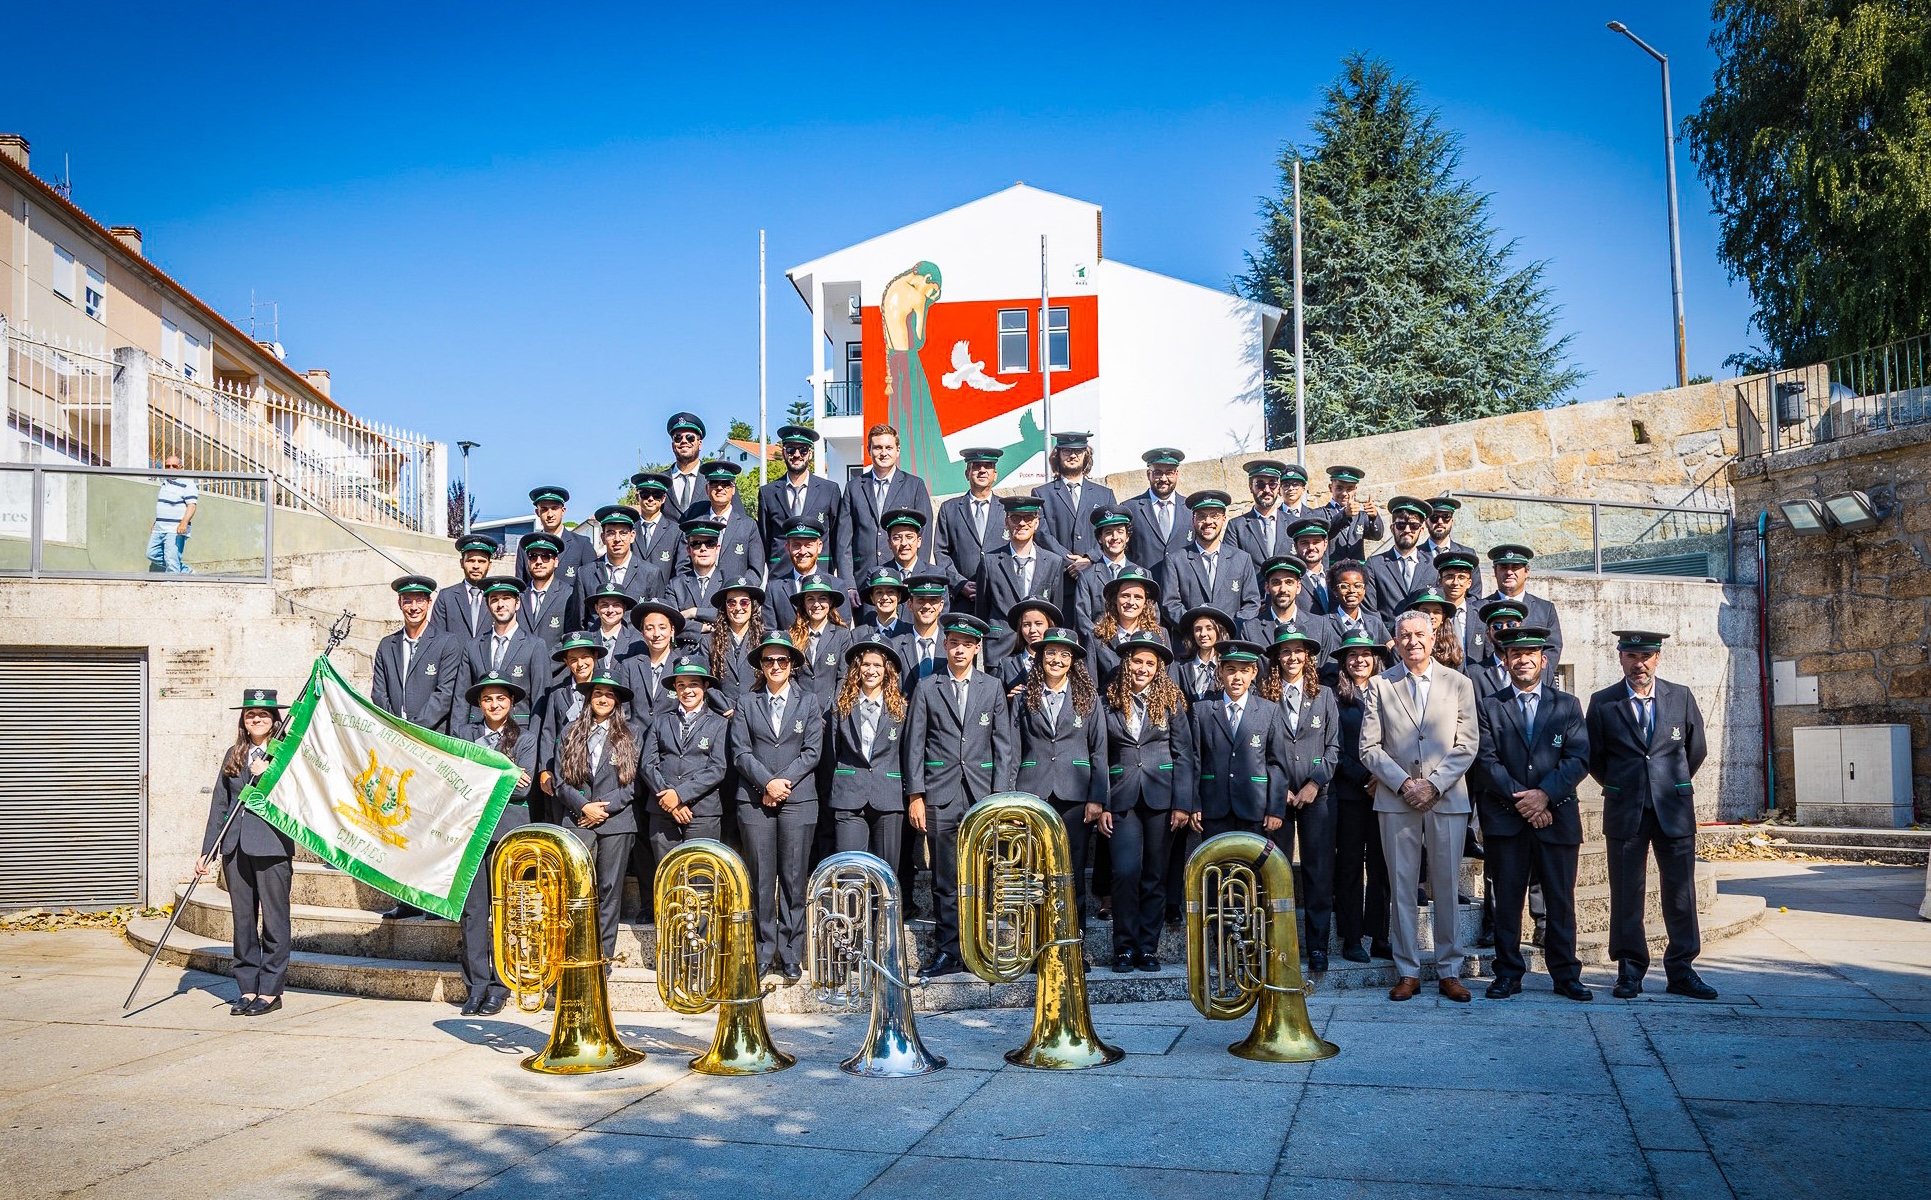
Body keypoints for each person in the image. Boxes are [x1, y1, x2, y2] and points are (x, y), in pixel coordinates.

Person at [1586, 629, 1716, 1001]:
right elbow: (1594, 756)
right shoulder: (1603, 702)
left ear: (1657, 658)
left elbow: (1696, 749)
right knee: (1627, 892)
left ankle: (1681, 970)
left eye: (1646, 656)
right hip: (1625, 808)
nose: (1638, 664)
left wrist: (1668, 783)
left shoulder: (1681, 697)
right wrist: (1622, 784)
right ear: (1620, 658)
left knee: (1680, 892)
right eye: (1631, 656)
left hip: (1673, 809)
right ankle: (1629, 970)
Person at [1359, 609, 1480, 1002]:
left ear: (1433, 638)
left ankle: (1449, 970)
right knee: (1403, 886)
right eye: (1405, 635)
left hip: (1446, 799)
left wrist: (1433, 784)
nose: (1413, 641)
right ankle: (1407, 970)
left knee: (1445, 885)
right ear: (1396, 640)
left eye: (1420, 634)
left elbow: (1467, 744)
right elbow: (1369, 748)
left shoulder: (1459, 683)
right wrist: (1405, 783)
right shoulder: (1380, 685)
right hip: (1397, 801)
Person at [1476, 626, 1592, 1002]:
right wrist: (1523, 802)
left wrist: (1543, 796)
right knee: (1506, 902)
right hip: (1506, 822)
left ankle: (1565, 974)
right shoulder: (1490, 706)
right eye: (1515, 654)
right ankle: (1508, 972)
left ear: (1543, 661)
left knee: (1560, 900)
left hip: (1556, 817)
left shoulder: (1567, 705)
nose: (1522, 660)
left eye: (1530, 654)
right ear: (1505, 661)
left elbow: (1578, 759)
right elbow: (1485, 761)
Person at [904, 613, 1016, 978]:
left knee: (983, 876)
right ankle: (948, 950)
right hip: (941, 794)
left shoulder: (992, 686)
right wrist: (916, 795)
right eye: (954, 643)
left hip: (982, 797)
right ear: (945, 644)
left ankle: (978, 947)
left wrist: (1001, 797)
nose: (960, 649)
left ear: (976, 648)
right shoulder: (926, 686)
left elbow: (1004, 746)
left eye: (967, 644)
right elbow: (914, 744)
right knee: (945, 878)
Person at [1096, 633, 1194, 972]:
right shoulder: (1107, 700)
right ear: (1127, 663)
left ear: (1158, 668)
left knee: (1155, 874)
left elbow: (1184, 755)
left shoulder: (1171, 701)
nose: (1142, 668)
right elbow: (1100, 755)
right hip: (1121, 798)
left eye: (1149, 663)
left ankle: (1147, 948)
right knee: (1125, 872)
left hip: (1162, 797)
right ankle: (1123, 947)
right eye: (1137, 661)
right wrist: (1103, 802)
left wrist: (1182, 803)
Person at [730, 632, 824, 982]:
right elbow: (740, 751)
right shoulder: (746, 703)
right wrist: (765, 784)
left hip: (797, 799)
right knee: (760, 878)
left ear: (792, 665)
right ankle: (762, 950)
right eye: (768, 661)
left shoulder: (809, 702)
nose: (775, 666)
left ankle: (790, 952)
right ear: (760, 665)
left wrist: (781, 784)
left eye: (782, 660)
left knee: (794, 878)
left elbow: (812, 752)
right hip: (755, 801)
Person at [195, 689, 293, 1015]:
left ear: (274, 719)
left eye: (263, 715)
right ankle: (248, 988)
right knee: (243, 922)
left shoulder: (286, 754)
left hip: (272, 847)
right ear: (244, 720)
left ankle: (270, 991)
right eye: (251, 715)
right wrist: (207, 852)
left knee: (275, 923)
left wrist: (272, 773)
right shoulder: (233, 754)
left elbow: (296, 798)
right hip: (235, 848)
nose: (257, 719)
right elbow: (219, 805)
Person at [1010, 626, 1108, 916]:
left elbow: (1099, 751)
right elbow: (1012, 750)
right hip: (1033, 791)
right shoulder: (1023, 698)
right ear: (1040, 657)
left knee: (1072, 868)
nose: (1057, 659)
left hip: (1075, 795)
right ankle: (1037, 946)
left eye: (1065, 654)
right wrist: (1012, 797)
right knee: (1033, 868)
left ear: (1073, 661)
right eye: (1051, 652)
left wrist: (1097, 798)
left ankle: (1073, 946)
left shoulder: (1088, 699)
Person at [454, 674, 537, 1016]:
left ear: (511, 703)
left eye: (501, 699)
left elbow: (522, 790)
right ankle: (476, 985)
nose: (494, 705)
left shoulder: (526, 739)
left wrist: (483, 775)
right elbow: (460, 782)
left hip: (509, 834)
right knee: (474, 913)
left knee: (507, 911)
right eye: (487, 699)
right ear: (479, 704)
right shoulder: (463, 736)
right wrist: (506, 771)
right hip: (472, 832)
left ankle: (501, 985)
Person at [1263, 624, 1340, 972]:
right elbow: (1261, 749)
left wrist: (1314, 784)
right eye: (1285, 651)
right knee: (1276, 870)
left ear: (1307, 656)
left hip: (1317, 796)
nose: (1292, 657)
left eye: (1298, 651)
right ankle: (1279, 944)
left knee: (1318, 870)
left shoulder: (1324, 695)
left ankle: (1318, 946)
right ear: (1277, 657)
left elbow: (1333, 747)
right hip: (1279, 795)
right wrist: (1282, 789)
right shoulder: (1264, 695)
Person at [555, 671, 644, 966]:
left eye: (608, 694)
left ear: (616, 700)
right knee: (578, 891)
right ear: (589, 699)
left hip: (617, 823)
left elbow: (633, 786)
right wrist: (584, 807)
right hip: (578, 822)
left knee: (609, 891)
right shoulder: (570, 733)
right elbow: (560, 783)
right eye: (597, 694)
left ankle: (602, 959)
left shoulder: (631, 734)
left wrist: (601, 809)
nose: (603, 699)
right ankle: (575, 953)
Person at [1329, 631, 1394, 963]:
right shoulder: (1336, 698)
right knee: (1350, 864)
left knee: (1382, 865)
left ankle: (1380, 935)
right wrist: (1365, 776)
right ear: (1344, 661)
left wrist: (1383, 777)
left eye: (1366, 654)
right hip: (1351, 793)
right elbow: (1334, 747)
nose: (1359, 660)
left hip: (1386, 792)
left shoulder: (1389, 693)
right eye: (1352, 655)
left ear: (1376, 659)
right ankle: (1351, 937)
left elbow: (1398, 740)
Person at [1183, 639, 1285, 837]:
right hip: (1213, 808)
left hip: (1254, 807)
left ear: (1254, 673)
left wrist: (1275, 808)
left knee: (1251, 866)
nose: (1237, 677)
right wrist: (1193, 803)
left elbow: (1276, 764)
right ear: (1220, 671)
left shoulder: (1269, 711)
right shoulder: (1202, 710)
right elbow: (1194, 760)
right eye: (1231, 670)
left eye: (1244, 670)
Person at [639, 656, 731, 865]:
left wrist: (680, 795)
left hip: (702, 812)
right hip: (663, 810)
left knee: (701, 877)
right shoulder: (660, 720)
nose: (687, 691)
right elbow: (648, 764)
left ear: (705, 686)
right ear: (675, 688)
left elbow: (717, 768)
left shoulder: (718, 723)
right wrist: (670, 800)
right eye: (681, 685)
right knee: (666, 873)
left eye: (693, 685)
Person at [828, 633, 910, 865]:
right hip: (848, 797)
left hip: (888, 796)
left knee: (886, 874)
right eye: (865, 664)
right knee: (850, 871)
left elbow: (906, 753)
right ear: (856, 668)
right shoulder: (840, 705)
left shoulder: (901, 709)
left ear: (887, 671)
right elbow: (831, 753)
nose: (871, 670)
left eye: (877, 665)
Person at [837, 424, 933, 584]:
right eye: (877, 447)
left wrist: (918, 579)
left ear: (897, 450)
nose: (883, 453)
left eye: (889, 447)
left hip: (903, 580)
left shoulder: (915, 485)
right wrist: (848, 585)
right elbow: (843, 541)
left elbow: (924, 534)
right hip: (864, 580)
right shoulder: (853, 487)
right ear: (869, 450)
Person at [371, 575, 463, 736]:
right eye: (407, 601)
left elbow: (445, 694)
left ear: (429, 603)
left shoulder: (447, 642)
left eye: (420, 600)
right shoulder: (387, 645)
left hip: (433, 735)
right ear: (399, 603)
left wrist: (413, 728)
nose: (414, 607)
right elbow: (379, 693)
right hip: (395, 734)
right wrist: (396, 725)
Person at [1159, 490, 1258, 631]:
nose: (1208, 522)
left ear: (1224, 519)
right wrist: (1197, 629)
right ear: (1193, 520)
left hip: (1230, 643)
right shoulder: (1175, 561)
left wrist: (1229, 629)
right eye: (1201, 516)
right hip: (1190, 644)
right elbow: (1170, 604)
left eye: (1214, 516)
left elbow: (1252, 603)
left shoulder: (1241, 559)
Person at [454, 576, 545, 728]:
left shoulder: (535, 645)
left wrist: (534, 745)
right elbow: (460, 698)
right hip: (478, 734)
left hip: (519, 733)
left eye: (506, 598)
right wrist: (458, 739)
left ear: (517, 603)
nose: (500, 604)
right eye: (494, 599)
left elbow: (540, 703)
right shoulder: (472, 646)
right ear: (488, 605)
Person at [535, 632, 606, 822]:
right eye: (573, 659)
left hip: (599, 772)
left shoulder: (606, 693)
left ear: (595, 657)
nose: (580, 664)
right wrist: (545, 769)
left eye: (585, 657)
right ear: (566, 662)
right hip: (565, 773)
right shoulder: (558, 694)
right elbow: (548, 732)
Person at [757, 424, 842, 573]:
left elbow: (837, 536)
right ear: (783, 453)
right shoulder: (767, 493)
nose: (796, 455)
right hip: (780, 574)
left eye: (802, 450)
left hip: (819, 574)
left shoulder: (830, 490)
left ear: (810, 454)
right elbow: (765, 538)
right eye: (791, 449)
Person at [1032, 431, 1116, 577]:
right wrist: (1070, 562)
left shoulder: (1104, 495)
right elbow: (1041, 535)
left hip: (1096, 577)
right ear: (1057, 455)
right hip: (1060, 577)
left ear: (1086, 455)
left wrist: (1090, 558)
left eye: (1078, 451)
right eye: (1067, 451)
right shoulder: (1041, 494)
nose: (1072, 456)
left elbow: (1113, 531)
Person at [975, 495, 1067, 624]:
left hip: (1036, 640)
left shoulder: (1053, 562)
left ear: (1036, 523)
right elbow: (982, 611)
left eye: (1028, 518)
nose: (1022, 523)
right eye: (1015, 518)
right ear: (1006, 523)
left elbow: (1055, 610)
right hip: (1001, 641)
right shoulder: (989, 562)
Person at [933, 447, 1005, 610]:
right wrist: (960, 583)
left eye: (988, 466)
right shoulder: (949, 509)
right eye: (976, 466)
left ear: (995, 474)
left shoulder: (1006, 510)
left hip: (998, 601)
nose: (982, 471)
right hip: (961, 601)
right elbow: (941, 552)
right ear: (967, 473)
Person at [1486, 545, 1564, 687]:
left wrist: (1531, 678)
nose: (1509, 572)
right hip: (1491, 685)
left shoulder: (1545, 609)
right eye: (1503, 567)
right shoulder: (1480, 608)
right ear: (1495, 572)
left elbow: (1553, 648)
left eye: (1515, 567)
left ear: (1527, 571)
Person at [765, 519, 851, 630]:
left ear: (819, 547)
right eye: (796, 545)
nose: (802, 551)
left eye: (808, 545)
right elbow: (770, 633)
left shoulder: (836, 586)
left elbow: (843, 631)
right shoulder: (774, 589)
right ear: (787, 548)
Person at [1364, 496, 1438, 625]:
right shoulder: (1375, 564)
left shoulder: (1433, 565)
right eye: (1401, 525)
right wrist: (1388, 641)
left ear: (1421, 529)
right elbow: (1370, 610)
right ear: (1392, 528)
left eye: (1414, 526)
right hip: (1388, 640)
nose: (1407, 530)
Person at [1088, 567, 1166, 686]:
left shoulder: (1160, 634)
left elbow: (1168, 681)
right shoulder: (1096, 637)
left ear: (1145, 603)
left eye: (1138, 597)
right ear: (1115, 598)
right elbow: (1091, 686)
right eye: (1125, 595)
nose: (1131, 602)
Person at [575, 505, 660, 614]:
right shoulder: (585, 574)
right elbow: (579, 620)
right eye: (611, 533)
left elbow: (655, 617)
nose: (617, 539)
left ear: (632, 536)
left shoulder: (650, 573)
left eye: (623, 533)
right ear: (603, 538)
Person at [1072, 506, 1140, 637]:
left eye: (1120, 531)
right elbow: (1082, 620)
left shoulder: (1142, 574)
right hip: (1100, 648)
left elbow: (1151, 616)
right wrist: (1105, 645)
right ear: (1099, 538)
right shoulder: (1087, 577)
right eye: (1108, 532)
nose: (1115, 537)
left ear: (1127, 537)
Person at [687, 460, 760, 582]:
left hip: (735, 597)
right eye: (714, 484)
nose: (720, 488)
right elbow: (684, 565)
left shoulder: (748, 526)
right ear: (707, 489)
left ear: (733, 489)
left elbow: (756, 569)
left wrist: (739, 592)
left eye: (726, 484)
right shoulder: (694, 524)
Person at [1122, 447, 1190, 577]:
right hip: (1144, 589)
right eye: (1158, 472)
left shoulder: (1189, 508)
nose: (1164, 478)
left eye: (1169, 472)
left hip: (1182, 589)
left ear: (1176, 474)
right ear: (1149, 474)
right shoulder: (1130, 508)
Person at [1227, 459, 1297, 585]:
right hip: (1255, 600)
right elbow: (1232, 569)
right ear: (1250, 487)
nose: (1267, 490)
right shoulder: (1236, 527)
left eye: (1272, 484)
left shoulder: (1294, 524)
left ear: (1279, 487)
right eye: (1260, 484)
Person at [785, 574, 852, 704]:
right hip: (800, 710)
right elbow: (790, 677)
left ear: (830, 602)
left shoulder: (842, 635)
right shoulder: (792, 635)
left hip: (831, 712)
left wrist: (832, 709)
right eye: (810, 599)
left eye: (822, 599)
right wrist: (804, 706)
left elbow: (844, 677)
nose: (816, 604)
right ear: (803, 603)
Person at [516, 485, 598, 585]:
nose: (550, 514)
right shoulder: (526, 546)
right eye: (544, 509)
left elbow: (592, 585)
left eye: (554, 508)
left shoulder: (581, 545)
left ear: (563, 511)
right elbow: (521, 587)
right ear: (537, 512)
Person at [516, 532, 580, 655]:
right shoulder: (518, 596)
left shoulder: (569, 595)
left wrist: (541, 666)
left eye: (545, 557)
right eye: (533, 557)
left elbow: (570, 639)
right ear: (528, 562)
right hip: (521, 671)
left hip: (557, 671)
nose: (539, 562)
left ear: (556, 561)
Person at [707, 575, 767, 704]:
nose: (738, 608)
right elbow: (706, 683)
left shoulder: (764, 640)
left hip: (756, 710)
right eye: (731, 602)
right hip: (722, 715)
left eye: (744, 602)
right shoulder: (708, 641)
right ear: (724, 606)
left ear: (753, 606)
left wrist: (748, 709)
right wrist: (727, 707)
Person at [625, 600, 686, 722]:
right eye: (649, 628)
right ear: (642, 632)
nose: (656, 634)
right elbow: (624, 712)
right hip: (634, 738)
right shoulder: (629, 666)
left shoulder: (681, 667)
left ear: (672, 630)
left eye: (662, 627)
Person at [665, 517, 729, 636]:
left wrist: (693, 612)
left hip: (720, 648)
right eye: (696, 544)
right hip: (684, 651)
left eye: (710, 543)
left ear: (717, 548)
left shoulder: (728, 582)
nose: (703, 549)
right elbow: (671, 622)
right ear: (688, 550)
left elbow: (731, 616)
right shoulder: (675, 585)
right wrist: (703, 627)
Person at [432, 533, 499, 640]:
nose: (476, 566)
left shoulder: (498, 598)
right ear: (462, 563)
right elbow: (437, 638)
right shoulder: (446, 597)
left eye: (481, 561)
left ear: (489, 565)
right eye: (470, 561)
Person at [1242, 554, 1311, 650]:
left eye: (1289, 582)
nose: (1283, 589)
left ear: (1298, 587)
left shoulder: (1319, 626)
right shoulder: (1250, 630)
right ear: (1267, 588)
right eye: (1276, 583)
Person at [896, 571, 950, 694]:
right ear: (910, 604)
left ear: (941, 605)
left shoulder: (952, 646)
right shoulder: (895, 646)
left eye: (933, 600)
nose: (927, 605)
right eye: (920, 599)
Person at [1317, 465, 1383, 562]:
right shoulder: (1320, 513)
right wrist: (1345, 515)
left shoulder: (1361, 515)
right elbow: (1323, 535)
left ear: (1355, 489)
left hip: (1356, 571)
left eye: (1349, 489)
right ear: (1331, 488)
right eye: (1339, 488)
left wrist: (1374, 517)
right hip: (1332, 570)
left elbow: (1377, 536)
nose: (1344, 493)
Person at [995, 598, 1062, 693]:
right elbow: (997, 701)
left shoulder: (1061, 662)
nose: (1032, 630)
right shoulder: (1006, 664)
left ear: (1050, 625)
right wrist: (1009, 701)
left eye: (1038, 624)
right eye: (1026, 624)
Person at [627, 472, 685, 581]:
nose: (650, 499)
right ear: (637, 497)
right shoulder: (628, 531)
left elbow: (680, 573)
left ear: (663, 498)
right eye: (645, 494)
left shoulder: (676, 532)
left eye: (656, 494)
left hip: (664, 596)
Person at [1466, 598, 1528, 696]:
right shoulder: (1473, 674)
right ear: (1488, 635)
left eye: (1511, 624)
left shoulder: (1538, 668)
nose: (1504, 630)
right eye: (1497, 626)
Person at [1424, 495, 1484, 595]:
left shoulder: (1468, 554)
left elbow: (1475, 595)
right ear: (1426, 522)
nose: (1440, 522)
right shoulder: (1416, 555)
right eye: (1434, 518)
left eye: (1445, 517)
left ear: (1452, 522)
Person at [1322, 561, 1389, 649]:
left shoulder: (1375, 623)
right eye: (1344, 586)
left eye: (1357, 586)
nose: (1352, 590)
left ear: (1364, 589)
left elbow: (1391, 648)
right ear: (1335, 590)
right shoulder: (1324, 623)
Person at [148, 454, 198, 573]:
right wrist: (156, 522)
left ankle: (173, 585)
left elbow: (192, 505)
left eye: (174, 466)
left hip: (174, 529)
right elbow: (164, 506)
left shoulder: (188, 483)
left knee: (171, 559)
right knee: (151, 553)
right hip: (159, 528)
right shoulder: (165, 483)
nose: (170, 468)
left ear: (180, 468)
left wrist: (184, 523)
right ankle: (185, 571)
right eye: (167, 465)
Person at [1172, 605, 1231, 704]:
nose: (1203, 634)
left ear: (1219, 631)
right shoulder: (1180, 668)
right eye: (1198, 629)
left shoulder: (1228, 666)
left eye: (1209, 628)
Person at [1434, 548, 1483, 666]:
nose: (1455, 582)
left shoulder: (1480, 617)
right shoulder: (1434, 616)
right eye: (1450, 577)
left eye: (1461, 577)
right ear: (1440, 581)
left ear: (1469, 583)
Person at [1291, 517, 1338, 617]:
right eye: (1305, 543)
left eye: (1316, 542)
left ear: (1325, 544)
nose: (1311, 547)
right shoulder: (1291, 580)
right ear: (1295, 546)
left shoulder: (1336, 577)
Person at [664, 412, 708, 516]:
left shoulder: (714, 479)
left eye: (690, 437)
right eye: (678, 438)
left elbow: (737, 522)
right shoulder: (661, 481)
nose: (684, 441)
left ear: (699, 444)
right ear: (673, 445)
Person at [857, 569, 912, 637]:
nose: (885, 597)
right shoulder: (859, 635)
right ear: (872, 598)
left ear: (899, 596)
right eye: (879, 592)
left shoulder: (910, 633)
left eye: (890, 592)